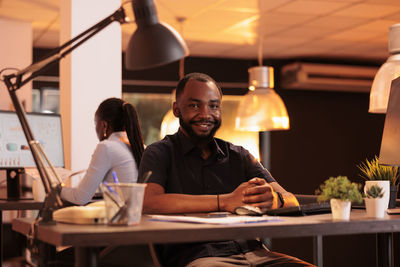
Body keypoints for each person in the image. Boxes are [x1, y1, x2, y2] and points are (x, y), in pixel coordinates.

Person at [138, 72, 314, 267]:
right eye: (194, 105)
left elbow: (292, 201)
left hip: (256, 252)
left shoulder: (240, 155)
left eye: (213, 106)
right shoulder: (159, 152)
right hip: (200, 258)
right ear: (176, 109)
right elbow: (149, 202)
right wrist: (225, 201)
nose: (205, 114)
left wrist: (275, 200)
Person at [61, 97, 145, 205]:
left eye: (95, 123)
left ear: (104, 125)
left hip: (119, 218)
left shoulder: (107, 147)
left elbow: (80, 197)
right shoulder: (141, 147)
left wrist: (57, 189)